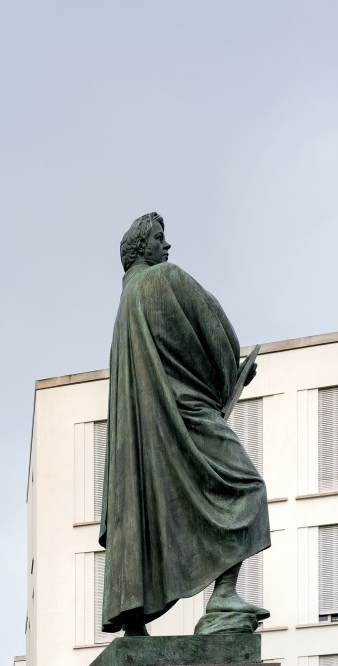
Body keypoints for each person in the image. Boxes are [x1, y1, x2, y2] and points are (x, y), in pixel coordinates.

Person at [100, 213, 271, 636]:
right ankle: (224, 596)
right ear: (143, 249)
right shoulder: (165, 279)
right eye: (160, 238)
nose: (167, 247)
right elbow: (216, 330)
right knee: (247, 488)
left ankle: (134, 621)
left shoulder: (124, 310)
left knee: (148, 513)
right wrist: (230, 375)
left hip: (151, 434)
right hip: (187, 416)